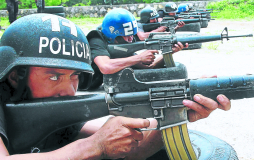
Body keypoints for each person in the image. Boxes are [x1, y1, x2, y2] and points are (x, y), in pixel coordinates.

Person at [0, 13, 233, 160]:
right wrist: (93, 145)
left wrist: (176, 114)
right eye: (54, 77)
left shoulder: (54, 110)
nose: (67, 90)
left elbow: (133, 150)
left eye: (74, 77)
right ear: (14, 76)